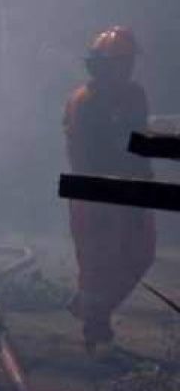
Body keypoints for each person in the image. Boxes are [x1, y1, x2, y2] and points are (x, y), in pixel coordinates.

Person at [64, 25, 155, 351]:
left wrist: (143, 188)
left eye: (129, 61)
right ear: (102, 64)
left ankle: (93, 310)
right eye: (121, 62)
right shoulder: (84, 102)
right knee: (98, 264)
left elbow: (139, 144)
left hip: (130, 189)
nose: (128, 68)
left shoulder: (134, 96)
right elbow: (85, 154)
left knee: (141, 255)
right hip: (92, 192)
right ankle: (94, 332)